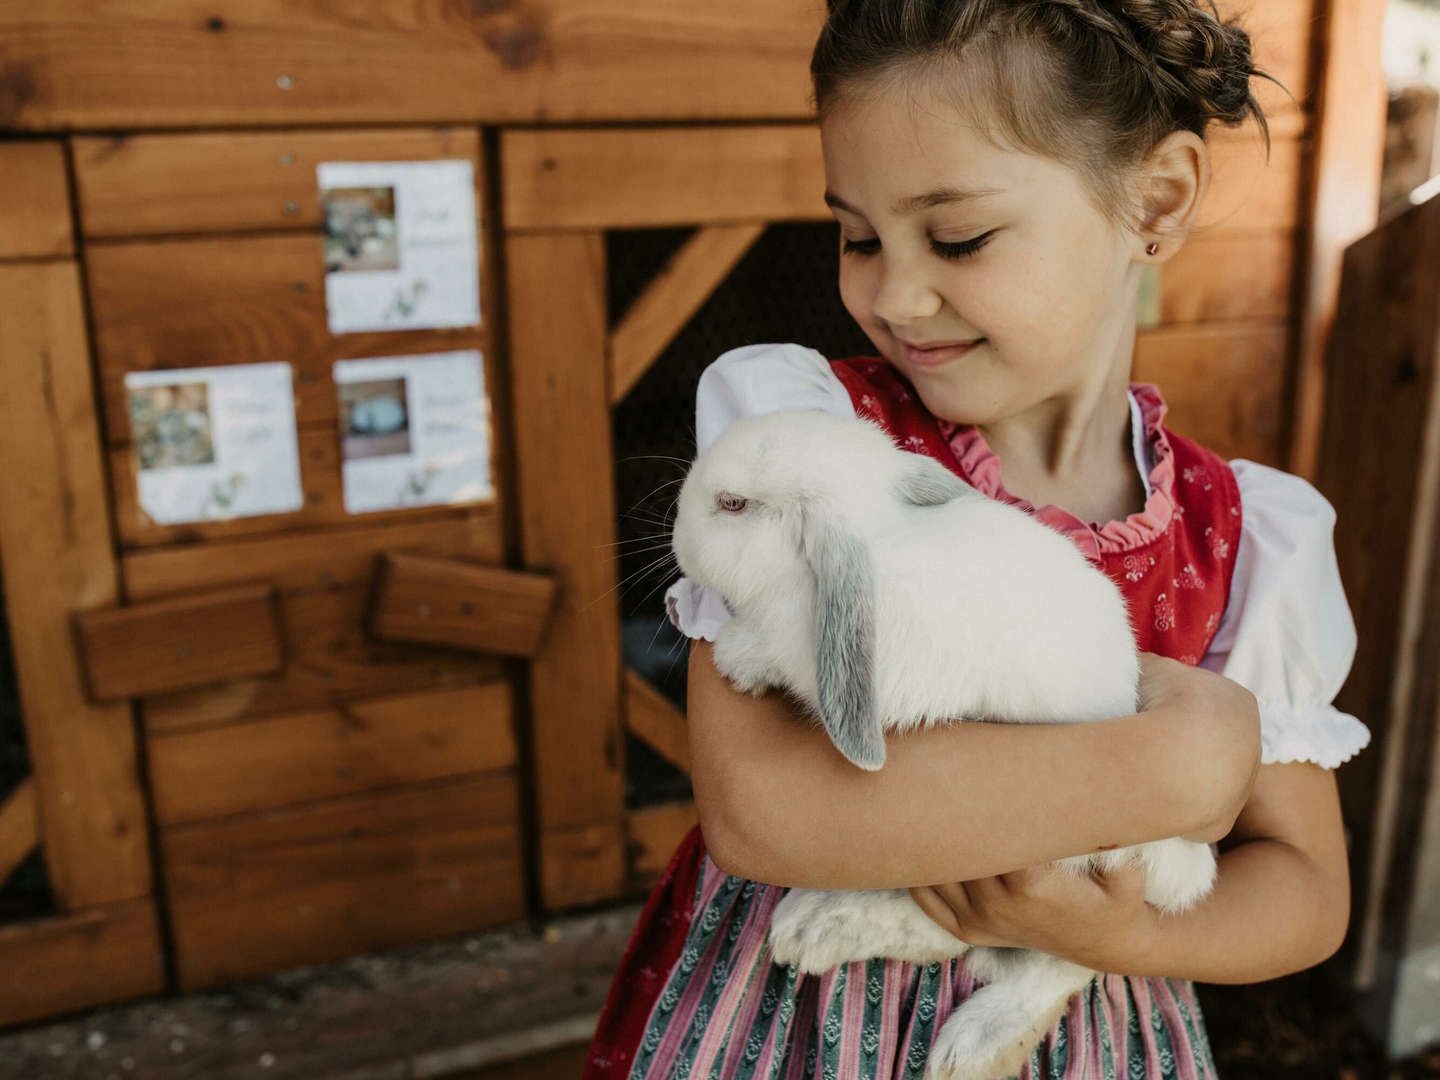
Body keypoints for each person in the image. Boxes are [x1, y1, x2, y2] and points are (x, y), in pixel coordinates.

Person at [583, 1, 1370, 1076]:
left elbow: (1306, 888)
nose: (893, 293)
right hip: (782, 1027)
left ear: (1158, 198)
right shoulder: (809, 441)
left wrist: (1128, 936)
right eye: (858, 236)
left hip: (1071, 1029)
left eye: (958, 237)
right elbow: (766, 813)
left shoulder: (1244, 537)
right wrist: (1174, 765)